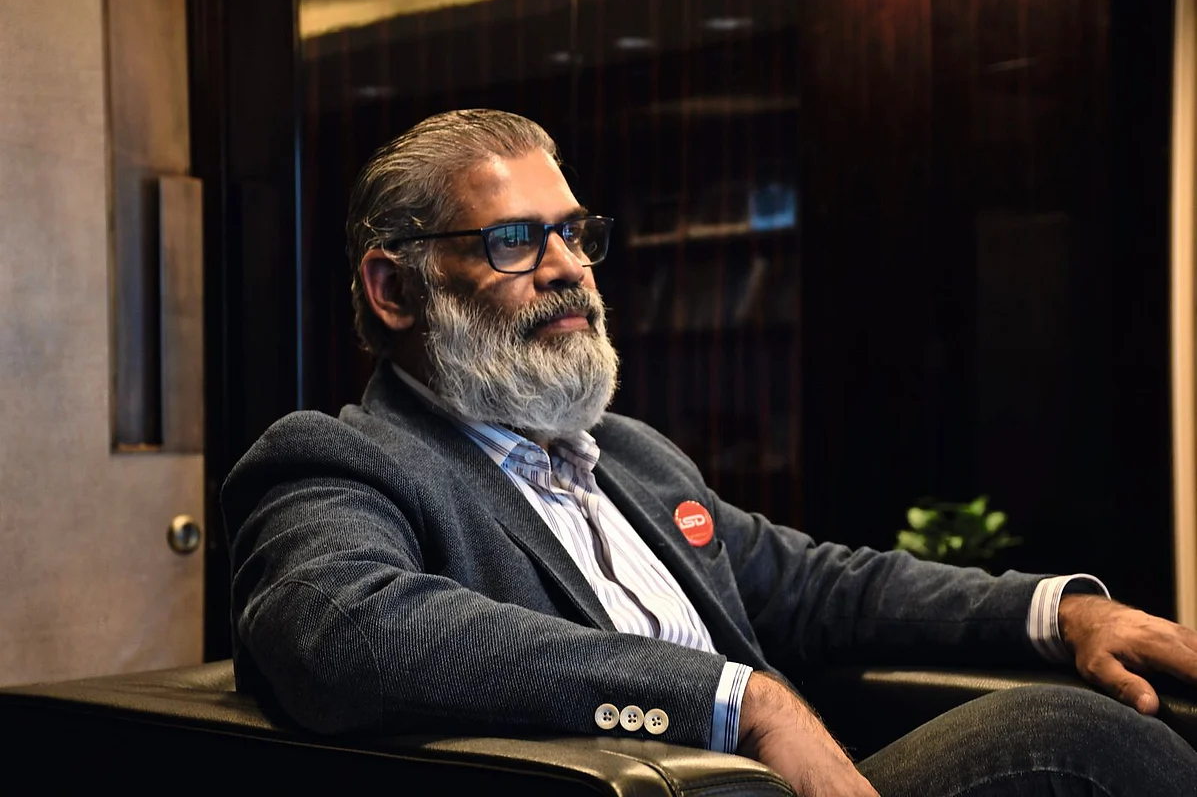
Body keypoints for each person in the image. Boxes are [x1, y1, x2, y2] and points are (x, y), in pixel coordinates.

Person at [222, 109, 1197, 796]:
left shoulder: (630, 457)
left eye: (574, 233)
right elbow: (342, 632)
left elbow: (820, 586)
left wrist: (1062, 612)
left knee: (1135, 710)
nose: (568, 268)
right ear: (394, 289)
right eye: (515, 240)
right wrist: (734, 699)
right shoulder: (335, 463)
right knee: (1074, 740)